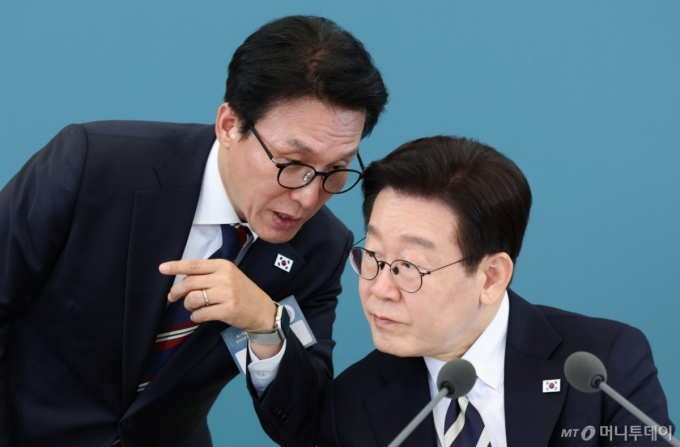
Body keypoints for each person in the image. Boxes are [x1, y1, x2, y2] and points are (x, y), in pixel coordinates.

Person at [0, 15, 388, 447]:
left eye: (336, 169)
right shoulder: (94, 165)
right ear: (229, 125)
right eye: (292, 164)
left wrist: (267, 324)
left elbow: (305, 423)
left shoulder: (321, 248)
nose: (309, 197)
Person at [318, 136, 673, 446]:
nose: (380, 289)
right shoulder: (352, 402)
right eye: (374, 257)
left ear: (490, 277)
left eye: (408, 267)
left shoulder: (602, 366)